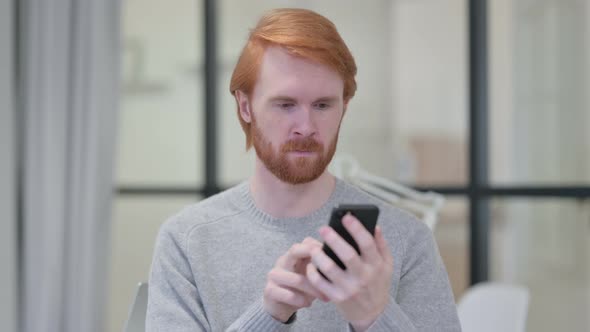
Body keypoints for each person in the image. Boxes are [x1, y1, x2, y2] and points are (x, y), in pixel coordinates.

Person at [146, 8, 461, 332]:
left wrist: (375, 316)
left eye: (323, 105)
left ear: (344, 108)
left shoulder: (405, 240)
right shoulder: (187, 240)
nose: (306, 127)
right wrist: (268, 315)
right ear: (245, 106)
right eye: (286, 104)